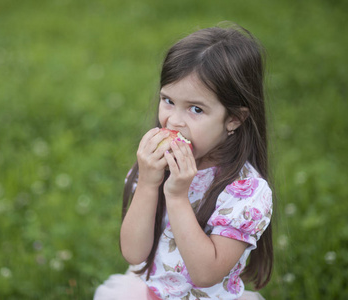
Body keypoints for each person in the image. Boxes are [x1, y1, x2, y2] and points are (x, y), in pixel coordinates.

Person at [94, 23, 274, 300]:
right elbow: (134, 254)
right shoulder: (156, 165)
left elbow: (205, 275)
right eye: (168, 100)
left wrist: (177, 196)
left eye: (196, 109)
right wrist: (148, 183)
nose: (174, 121)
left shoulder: (245, 191)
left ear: (234, 119)